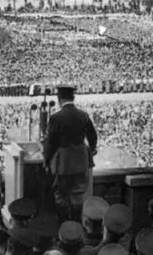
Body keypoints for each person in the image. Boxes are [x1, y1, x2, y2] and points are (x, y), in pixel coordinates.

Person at [42, 85, 98, 223]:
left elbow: (51, 143)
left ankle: (63, 227)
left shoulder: (56, 117)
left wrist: (46, 159)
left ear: (59, 99)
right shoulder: (83, 115)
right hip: (80, 160)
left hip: (63, 162)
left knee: (60, 194)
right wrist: (91, 150)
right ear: (73, 97)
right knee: (78, 195)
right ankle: (76, 227)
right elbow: (93, 136)